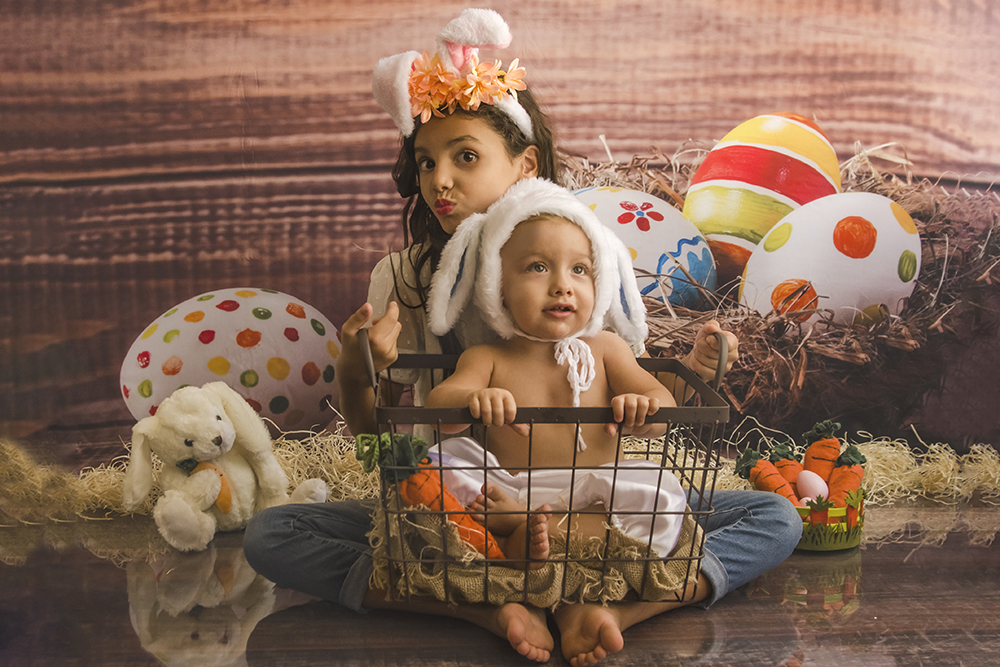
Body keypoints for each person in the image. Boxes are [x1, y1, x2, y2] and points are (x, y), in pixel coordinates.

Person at [243, 9, 802, 667]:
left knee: (776, 517)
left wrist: (682, 376)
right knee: (273, 534)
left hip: (590, 492)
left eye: (466, 157)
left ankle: (611, 603)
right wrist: (359, 362)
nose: (440, 181)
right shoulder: (404, 280)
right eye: (426, 162)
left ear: (524, 163)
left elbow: (639, 392)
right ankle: (488, 603)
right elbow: (377, 434)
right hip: (461, 505)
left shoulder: (576, 252)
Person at [422, 177, 690, 574]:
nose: (562, 285)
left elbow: (661, 404)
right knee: (439, 466)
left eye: (579, 269)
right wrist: (472, 400)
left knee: (660, 495)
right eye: (538, 267)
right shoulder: (489, 357)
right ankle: (529, 530)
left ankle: (527, 532)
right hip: (507, 488)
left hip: (595, 492)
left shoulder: (607, 349)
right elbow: (440, 409)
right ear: (498, 286)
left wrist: (643, 407)